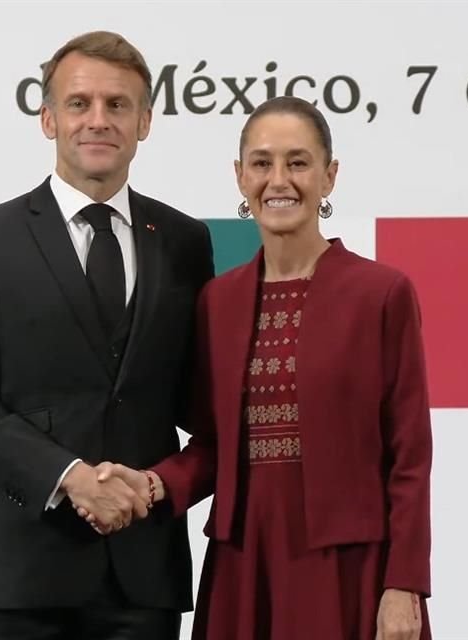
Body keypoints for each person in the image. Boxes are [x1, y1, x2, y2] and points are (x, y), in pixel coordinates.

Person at [87, 96, 433, 640]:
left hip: (349, 569)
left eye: (298, 162)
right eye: (262, 162)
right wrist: (153, 484)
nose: (279, 179)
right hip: (244, 561)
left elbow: (409, 456)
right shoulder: (216, 301)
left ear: (329, 176)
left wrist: (404, 584)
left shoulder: (382, 293)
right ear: (240, 176)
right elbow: (212, 447)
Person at [0, 30, 214, 640]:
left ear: (146, 121)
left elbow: (201, 403)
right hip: (13, 572)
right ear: (48, 118)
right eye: (79, 103)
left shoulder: (187, 242)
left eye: (118, 105)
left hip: (142, 574)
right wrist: (70, 477)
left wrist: (161, 487)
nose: (98, 120)